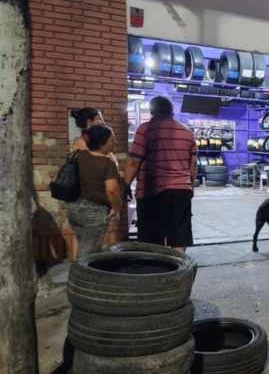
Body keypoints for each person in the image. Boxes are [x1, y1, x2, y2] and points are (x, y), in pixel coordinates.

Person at [123, 96, 197, 253]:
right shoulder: (187, 132)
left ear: (152, 111)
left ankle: (155, 272)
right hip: (181, 191)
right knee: (179, 236)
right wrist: (190, 186)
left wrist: (125, 185)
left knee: (151, 238)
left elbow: (134, 161)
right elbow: (193, 164)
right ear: (171, 111)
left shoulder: (145, 129)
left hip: (152, 192)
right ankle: (178, 271)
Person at [67, 124, 122, 259]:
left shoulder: (79, 155)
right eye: (111, 140)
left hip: (74, 208)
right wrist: (116, 207)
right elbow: (112, 189)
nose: (115, 143)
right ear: (102, 144)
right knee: (87, 253)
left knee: (86, 246)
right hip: (93, 212)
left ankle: (90, 277)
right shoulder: (107, 163)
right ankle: (79, 279)